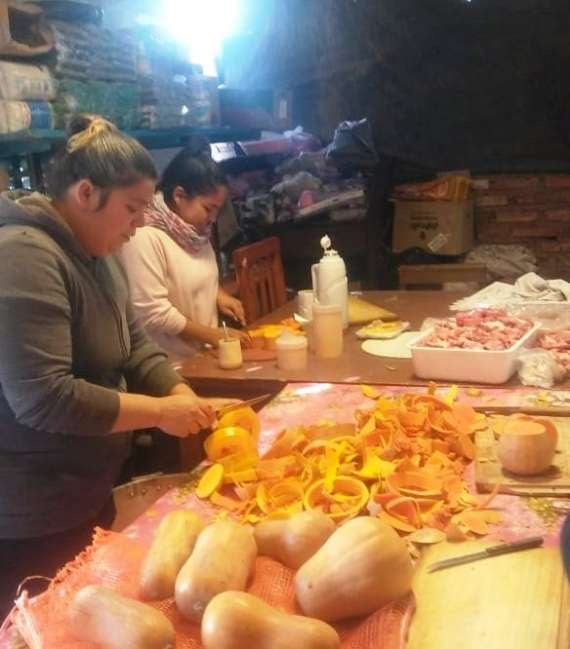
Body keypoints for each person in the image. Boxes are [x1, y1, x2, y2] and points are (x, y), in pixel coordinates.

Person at [0, 115, 230, 618]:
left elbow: (135, 346)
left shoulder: (99, 255)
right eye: (131, 209)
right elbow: (44, 398)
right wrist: (157, 413)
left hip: (85, 488)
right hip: (29, 510)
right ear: (86, 193)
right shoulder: (23, 255)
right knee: (45, 626)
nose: (139, 225)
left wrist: (176, 391)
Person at [120, 140, 250, 365]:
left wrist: (217, 294)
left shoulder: (193, 232)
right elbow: (153, 313)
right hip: (170, 368)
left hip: (204, 358)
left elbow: (189, 270)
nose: (213, 218)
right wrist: (214, 336)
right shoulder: (144, 236)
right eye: (208, 208)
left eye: (217, 210)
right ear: (179, 196)